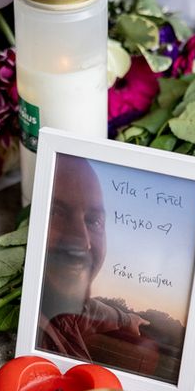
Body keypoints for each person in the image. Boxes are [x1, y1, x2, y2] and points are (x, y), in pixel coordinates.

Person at [37, 154, 148, 361]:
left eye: (94, 221)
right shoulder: (37, 336)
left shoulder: (71, 316)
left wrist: (127, 319)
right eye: (56, 213)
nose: (83, 242)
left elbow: (93, 310)